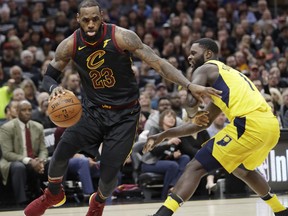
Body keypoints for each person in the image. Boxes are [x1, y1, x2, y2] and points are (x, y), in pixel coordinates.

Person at [23, 2, 220, 216]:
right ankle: (53, 194)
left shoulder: (121, 37)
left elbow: (159, 63)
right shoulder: (69, 44)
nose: (90, 24)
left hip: (124, 115)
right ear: (78, 18)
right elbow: (49, 76)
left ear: (102, 16)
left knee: (109, 175)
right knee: (61, 152)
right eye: (86, 19)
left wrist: (189, 84)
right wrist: (53, 89)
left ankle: (97, 203)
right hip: (92, 111)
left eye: (95, 19)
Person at [144, 38, 288, 216]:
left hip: (249, 123)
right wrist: (163, 135)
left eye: (193, 53)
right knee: (242, 169)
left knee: (195, 167)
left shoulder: (206, 68)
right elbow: (197, 126)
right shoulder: (227, 78)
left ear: (208, 54)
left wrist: (191, 103)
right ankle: (280, 211)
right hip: (270, 126)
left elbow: (190, 101)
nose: (189, 57)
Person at [0, 100, 48, 204]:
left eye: (30, 110)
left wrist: (41, 160)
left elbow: (43, 149)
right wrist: (29, 160)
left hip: (35, 160)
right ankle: (21, 201)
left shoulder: (38, 127)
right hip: (13, 161)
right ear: (17, 111)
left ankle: (53, 197)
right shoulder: (7, 128)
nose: (27, 112)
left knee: (53, 162)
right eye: (24, 110)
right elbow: (7, 154)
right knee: (19, 167)